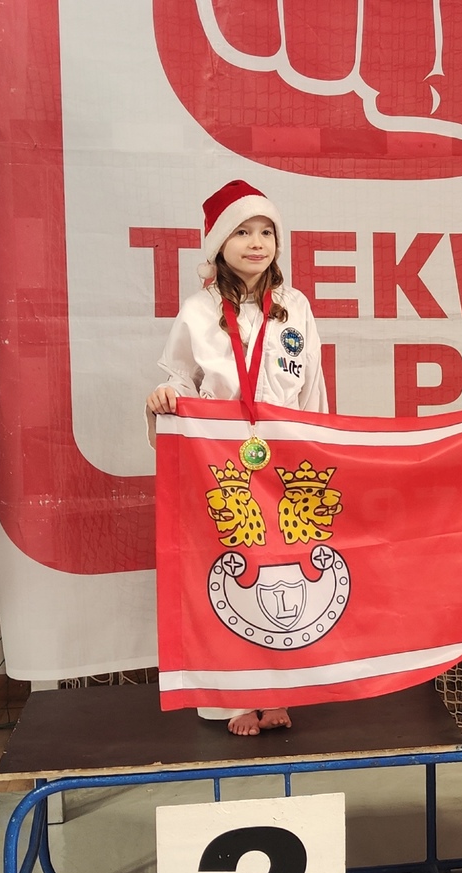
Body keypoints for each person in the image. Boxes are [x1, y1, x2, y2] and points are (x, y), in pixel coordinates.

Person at [148, 179, 327, 736]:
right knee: (231, 568)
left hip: (286, 461)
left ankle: (277, 690)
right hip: (222, 463)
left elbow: (313, 389)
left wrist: (319, 448)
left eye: (266, 231)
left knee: (285, 567)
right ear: (218, 245)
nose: (256, 242)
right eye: (242, 232)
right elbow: (181, 383)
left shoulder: (295, 307)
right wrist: (164, 399)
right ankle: (233, 699)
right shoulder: (199, 311)